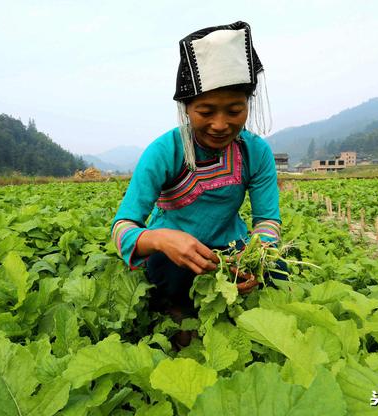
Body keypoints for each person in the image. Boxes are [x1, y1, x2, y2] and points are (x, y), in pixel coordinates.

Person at [111, 21, 281, 318]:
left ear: (248, 104)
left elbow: (267, 221)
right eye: (205, 111)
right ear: (186, 109)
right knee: (169, 270)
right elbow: (122, 228)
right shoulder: (165, 151)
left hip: (231, 251)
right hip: (174, 255)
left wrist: (255, 256)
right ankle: (176, 313)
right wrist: (161, 239)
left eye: (234, 110)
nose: (219, 124)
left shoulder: (256, 152)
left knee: (278, 268)